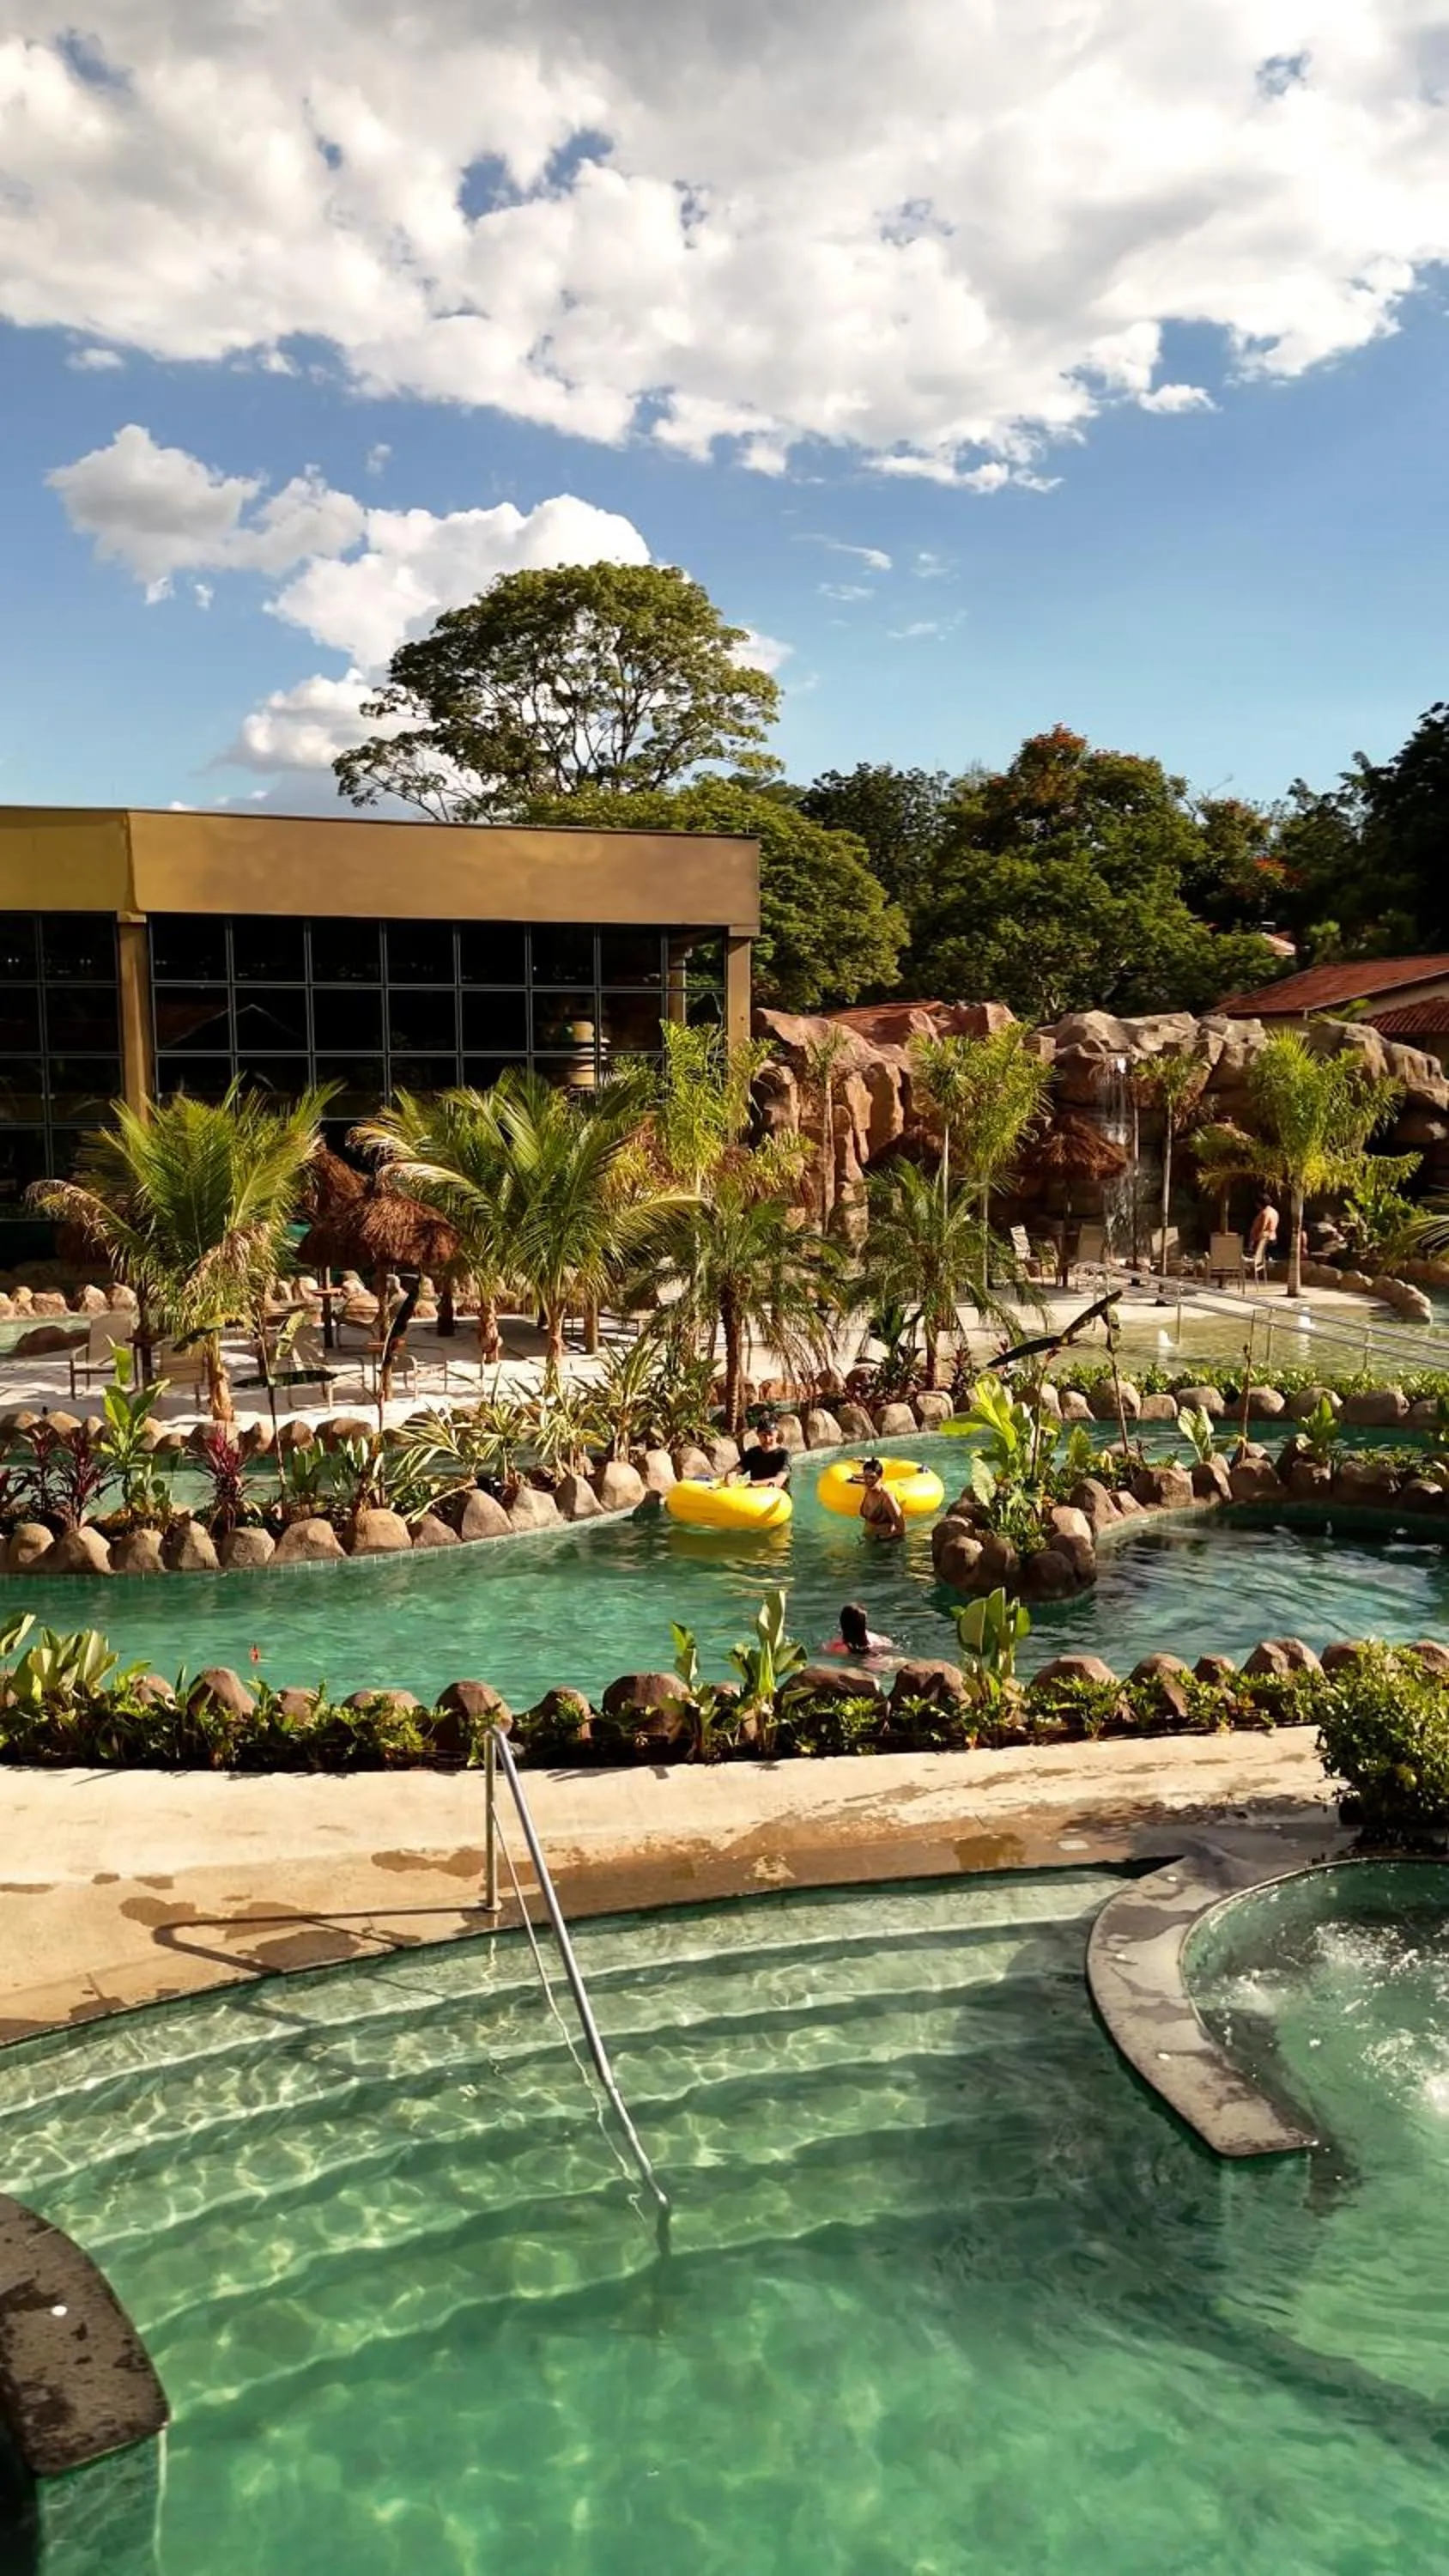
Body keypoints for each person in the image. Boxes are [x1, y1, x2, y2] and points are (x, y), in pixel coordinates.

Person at [731, 1411, 792, 1491]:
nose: (767, 1439)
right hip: (755, 1497)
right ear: (758, 1435)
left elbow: (779, 1480)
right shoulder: (753, 1453)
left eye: (770, 1434)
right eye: (763, 1435)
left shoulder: (783, 1455)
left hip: (778, 1498)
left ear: (777, 1434)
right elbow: (737, 1470)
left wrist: (755, 1484)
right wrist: (731, 1475)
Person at [849, 1456, 906, 1540]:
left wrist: (881, 1539)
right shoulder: (868, 1489)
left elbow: (901, 1529)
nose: (868, 1481)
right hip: (868, 1540)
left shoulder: (887, 1498)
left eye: (872, 1477)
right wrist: (854, 1480)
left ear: (880, 1476)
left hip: (884, 1543)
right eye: (865, 1477)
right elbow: (865, 1481)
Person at [824, 1602, 895, 1659]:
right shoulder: (880, 1641)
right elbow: (890, 1645)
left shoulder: (833, 1647)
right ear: (865, 1622)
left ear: (842, 1622)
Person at [1247, 1198, 1280, 1264]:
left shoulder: (1265, 1213)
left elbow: (1263, 1228)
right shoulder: (1274, 1211)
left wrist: (1253, 1242)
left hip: (1265, 1240)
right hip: (1272, 1238)